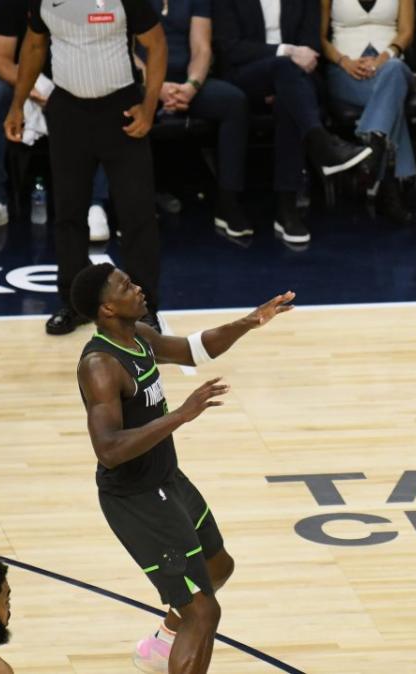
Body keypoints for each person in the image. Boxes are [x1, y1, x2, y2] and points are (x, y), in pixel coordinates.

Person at [70, 262, 293, 674]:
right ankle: (181, 631)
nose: (137, 288)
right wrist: (182, 415)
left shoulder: (139, 336)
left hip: (166, 478)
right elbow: (108, 449)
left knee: (218, 567)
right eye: (125, 286)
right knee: (204, 613)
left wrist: (248, 322)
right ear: (107, 310)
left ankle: (162, 646)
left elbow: (194, 348)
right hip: (135, 498)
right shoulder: (101, 365)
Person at [5, 0, 167, 335]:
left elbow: (157, 44)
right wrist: (17, 104)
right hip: (68, 111)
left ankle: (143, 307)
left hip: (121, 107)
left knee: (136, 213)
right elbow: (35, 46)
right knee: (69, 213)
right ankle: (73, 303)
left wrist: (149, 106)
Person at [212, 0, 373, 245]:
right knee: (286, 72)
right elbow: (231, 48)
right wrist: (285, 51)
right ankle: (319, 147)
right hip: (247, 78)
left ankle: (287, 208)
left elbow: (311, 46)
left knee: (289, 98)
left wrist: (284, 75)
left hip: (297, 79)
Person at [0, 0, 112, 241]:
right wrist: (29, 89)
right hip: (20, 78)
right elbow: (0, 60)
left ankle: (93, 204)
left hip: (75, 76)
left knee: (107, 100)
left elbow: (96, 52)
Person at [137, 0, 254, 239]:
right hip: (144, 81)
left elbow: (202, 48)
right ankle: (135, 209)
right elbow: (125, 51)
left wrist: (191, 85)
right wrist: (155, 85)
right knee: (121, 103)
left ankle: (228, 202)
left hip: (185, 82)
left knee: (234, 102)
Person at [320, 0, 416, 224]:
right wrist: (344, 62)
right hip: (345, 70)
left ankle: (372, 154)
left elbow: (407, 31)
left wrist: (384, 57)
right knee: (391, 100)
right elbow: (320, 38)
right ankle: (387, 185)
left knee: (393, 73)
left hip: (391, 67)